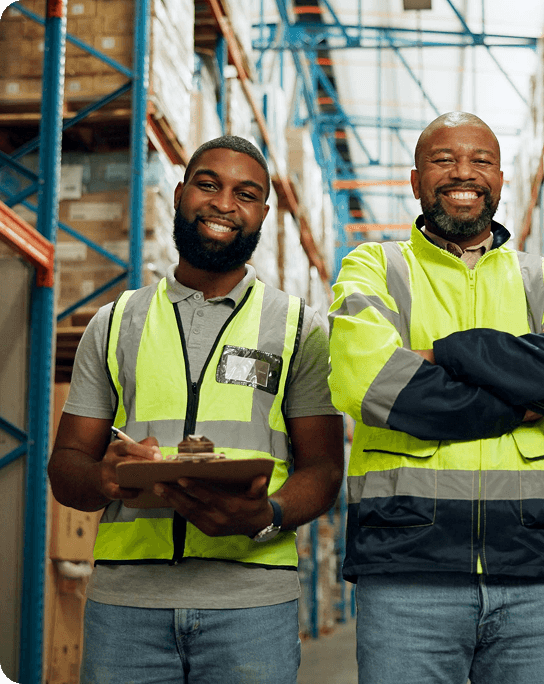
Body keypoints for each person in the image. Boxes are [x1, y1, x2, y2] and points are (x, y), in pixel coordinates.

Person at [327, 111, 544, 683]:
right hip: (407, 571)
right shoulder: (375, 267)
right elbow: (371, 383)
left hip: (534, 570)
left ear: (500, 180)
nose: (464, 173)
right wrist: (524, 395)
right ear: (415, 181)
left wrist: (444, 353)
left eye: (481, 161)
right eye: (444, 160)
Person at [48, 135, 344, 684]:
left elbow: (325, 469)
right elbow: (66, 467)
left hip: (252, 604)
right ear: (179, 194)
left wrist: (268, 514)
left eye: (245, 194)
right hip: (126, 607)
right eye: (208, 185)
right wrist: (104, 477)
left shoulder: (300, 329)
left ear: (263, 214)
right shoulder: (113, 324)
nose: (224, 204)